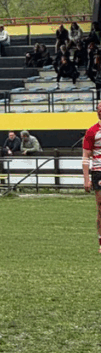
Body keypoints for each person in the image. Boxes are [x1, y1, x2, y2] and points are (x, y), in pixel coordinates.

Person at [81, 100, 101, 252]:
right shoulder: (92, 131)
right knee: (100, 207)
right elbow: (85, 156)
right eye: (98, 109)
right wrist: (86, 179)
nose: (100, 112)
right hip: (98, 171)